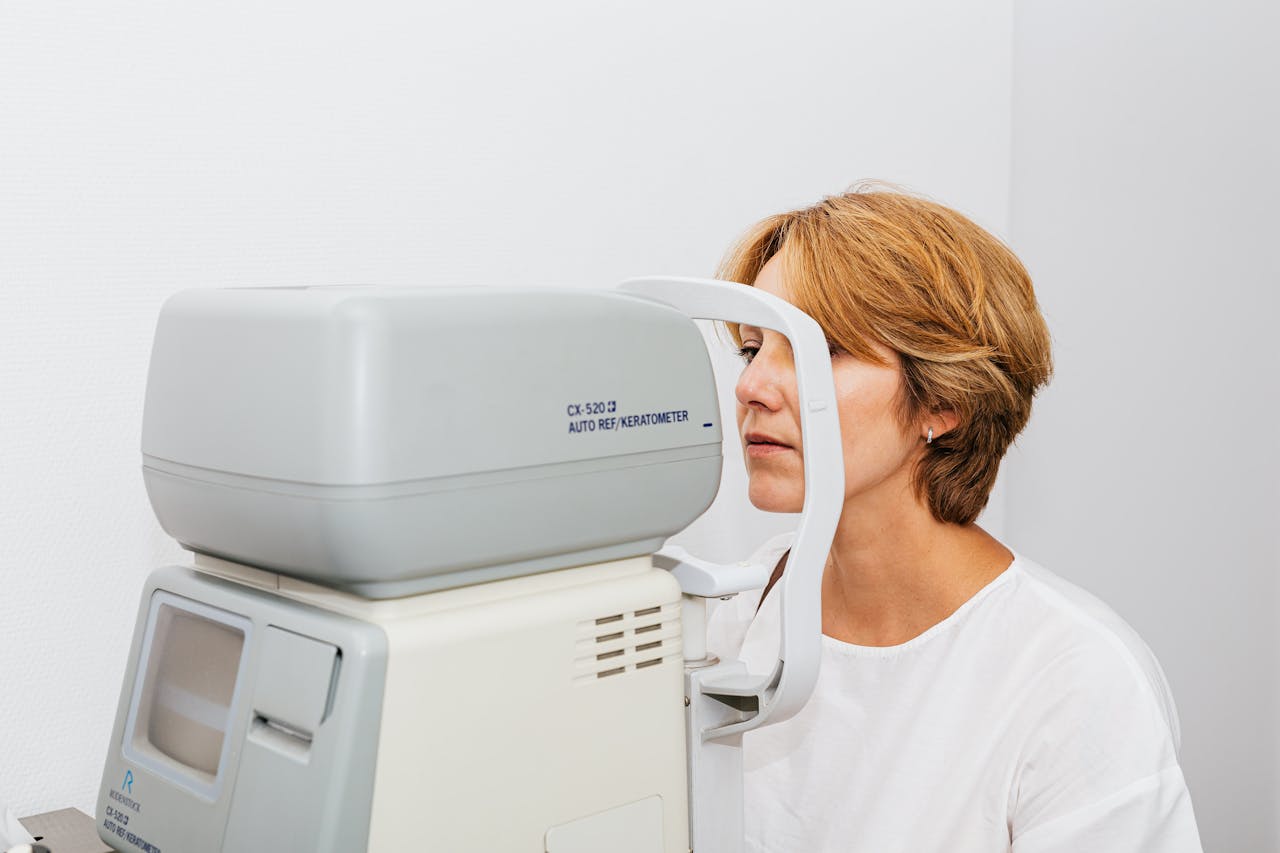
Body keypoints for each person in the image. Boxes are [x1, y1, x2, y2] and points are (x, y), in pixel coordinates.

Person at [705, 187, 1203, 852]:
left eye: (820, 348)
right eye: (751, 348)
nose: (751, 386)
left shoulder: (1076, 682)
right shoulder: (735, 614)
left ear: (943, 401)